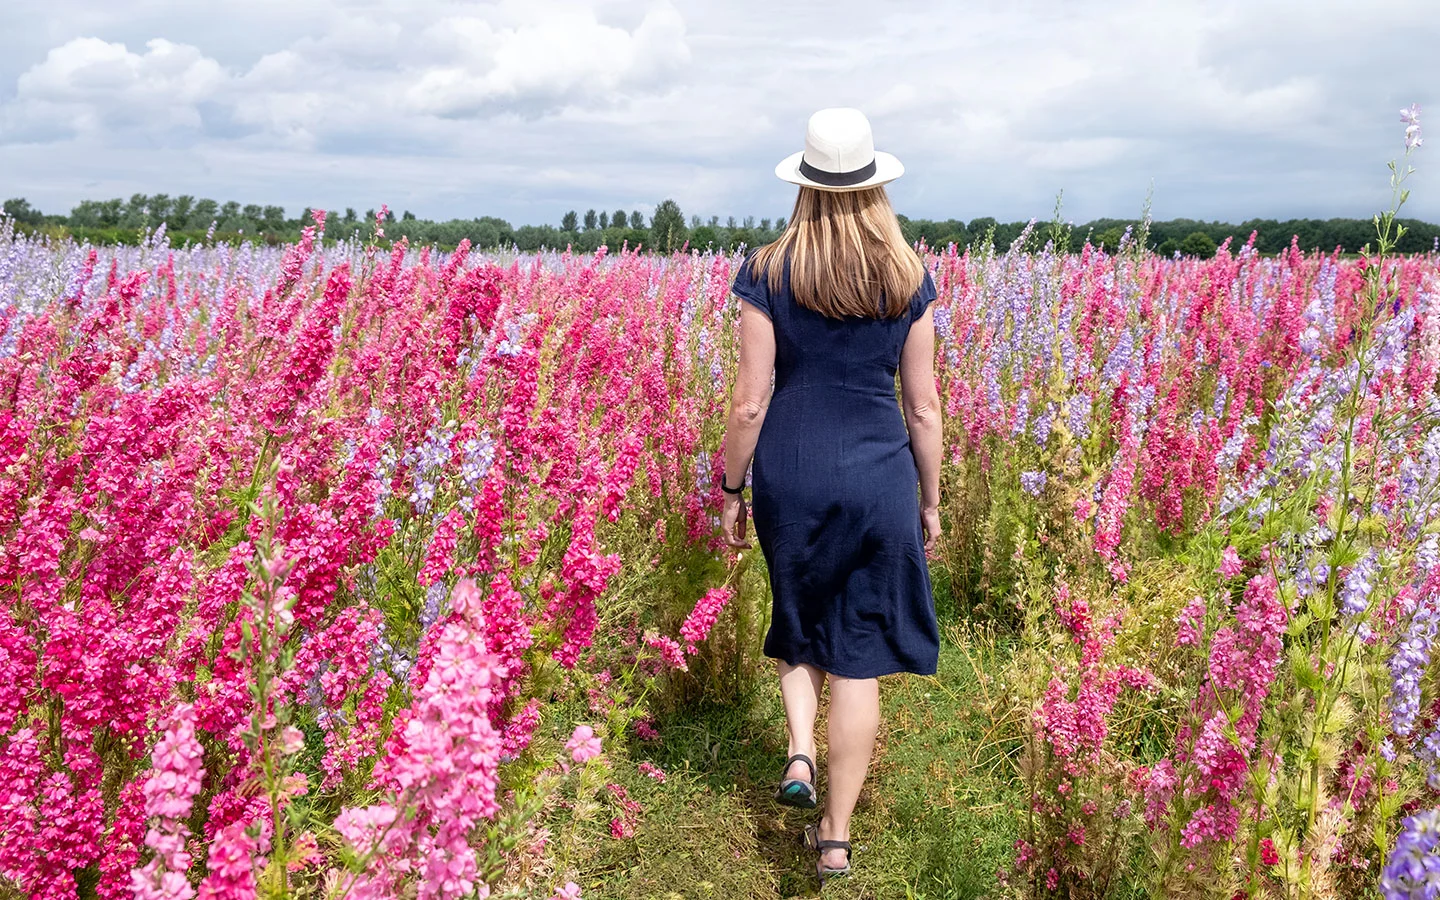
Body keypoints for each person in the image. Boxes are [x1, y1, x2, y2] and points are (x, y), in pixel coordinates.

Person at [718, 107, 943, 885]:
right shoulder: (908, 274)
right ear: (876, 186)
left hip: (793, 470)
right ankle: (836, 838)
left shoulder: (769, 271)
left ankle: (801, 750)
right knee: (860, 656)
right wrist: (932, 499)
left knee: (799, 620)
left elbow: (750, 402)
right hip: (881, 476)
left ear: (805, 186)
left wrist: (730, 487)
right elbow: (923, 407)